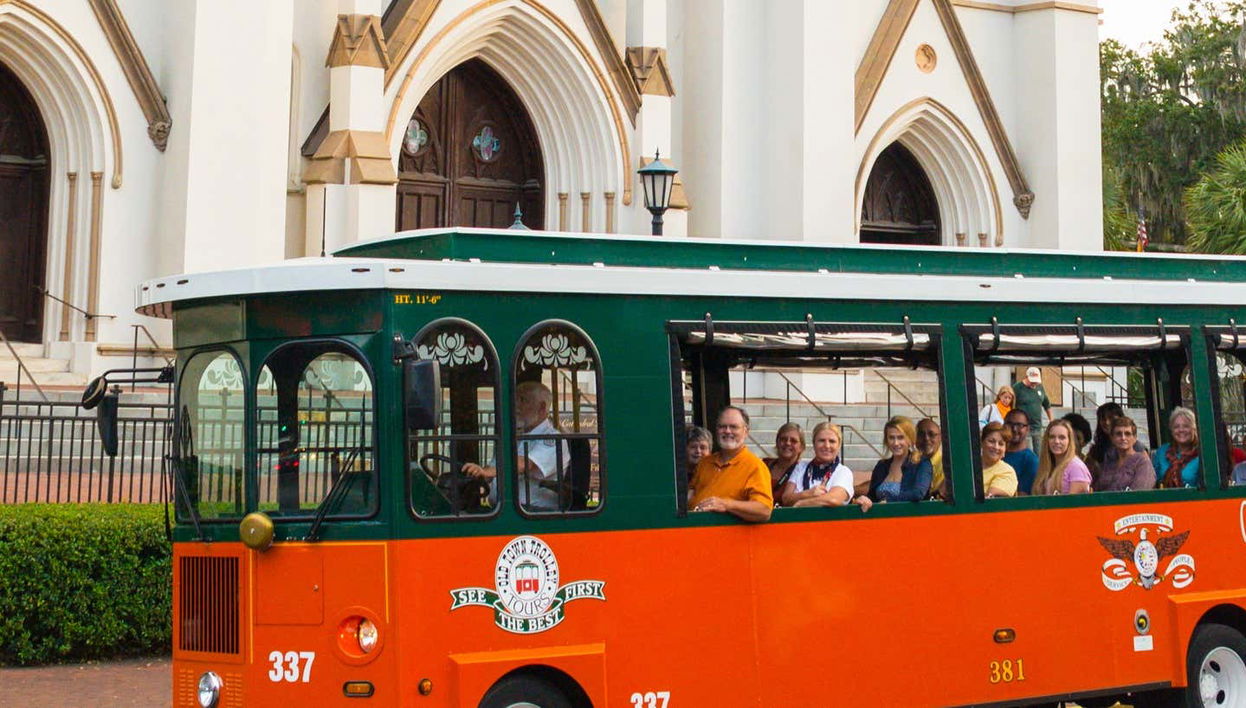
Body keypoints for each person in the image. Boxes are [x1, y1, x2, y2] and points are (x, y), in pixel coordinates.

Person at [463, 381, 570, 511]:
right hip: (502, 510)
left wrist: (486, 471)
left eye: (523, 400)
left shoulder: (552, 439)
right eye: (515, 399)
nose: (516, 405)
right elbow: (493, 467)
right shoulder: (515, 436)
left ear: (542, 407)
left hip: (533, 512)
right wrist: (479, 474)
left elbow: (524, 464)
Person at [688, 406, 773, 521]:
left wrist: (726, 505)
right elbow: (691, 496)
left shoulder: (755, 466)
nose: (727, 431)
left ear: (746, 431)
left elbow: (764, 510)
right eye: (722, 426)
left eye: (733, 427)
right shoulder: (704, 463)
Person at [781, 422, 870, 510]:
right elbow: (786, 499)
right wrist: (808, 494)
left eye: (832, 441)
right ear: (814, 443)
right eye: (821, 441)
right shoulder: (801, 467)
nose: (827, 446)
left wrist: (802, 503)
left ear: (838, 446)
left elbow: (833, 499)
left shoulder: (843, 471)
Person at [867, 416, 932, 502]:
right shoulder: (881, 466)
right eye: (891, 437)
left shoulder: (922, 464)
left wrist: (888, 501)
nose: (896, 443)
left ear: (910, 439)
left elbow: (918, 494)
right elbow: (872, 496)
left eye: (900, 437)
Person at [1031, 419, 1092, 496]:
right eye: (1052, 437)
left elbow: (1075, 504)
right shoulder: (1047, 466)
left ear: (1070, 441)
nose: (1056, 441)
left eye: (1062, 437)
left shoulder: (1076, 467)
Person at [1094, 416, 1155, 492]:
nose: (1123, 438)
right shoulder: (1109, 461)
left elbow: (1140, 493)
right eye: (1118, 434)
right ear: (1112, 438)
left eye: (1127, 434)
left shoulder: (1142, 462)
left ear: (1135, 438)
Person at [1154, 406, 1200, 489]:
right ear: (1171, 430)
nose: (1181, 430)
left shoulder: (1202, 454)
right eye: (1176, 427)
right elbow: (1153, 482)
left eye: (1186, 426)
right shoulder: (1161, 452)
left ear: (1194, 428)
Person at [1012, 367, 1053, 452]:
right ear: (1027, 377)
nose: (1034, 383)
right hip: (1022, 426)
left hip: (1037, 426)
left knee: (1038, 451)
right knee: (1023, 450)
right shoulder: (1017, 388)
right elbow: (1011, 404)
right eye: (1032, 381)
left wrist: (1051, 419)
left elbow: (1046, 404)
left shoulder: (1040, 387)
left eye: (1036, 381)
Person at [762, 422, 805, 502]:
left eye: (793, 441)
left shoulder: (803, 472)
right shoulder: (763, 465)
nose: (788, 443)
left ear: (801, 447)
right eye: (783, 439)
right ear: (777, 442)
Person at [1002, 409, 1039, 495]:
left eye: (1020, 425)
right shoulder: (997, 454)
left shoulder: (1031, 461)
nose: (1014, 429)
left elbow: (1022, 497)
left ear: (1027, 429)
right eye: (1010, 424)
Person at [1087, 402, 1130, 472]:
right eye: (1103, 419)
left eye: (1111, 418)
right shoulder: (1095, 450)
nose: (1107, 422)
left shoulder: (1135, 447)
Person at [979, 422, 1019, 498]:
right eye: (991, 441)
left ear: (1005, 449)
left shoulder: (1007, 471)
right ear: (982, 442)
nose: (996, 447)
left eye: (1001, 444)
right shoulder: (968, 466)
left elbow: (989, 499)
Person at [917, 418, 946, 498]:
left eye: (932, 434)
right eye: (921, 434)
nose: (926, 438)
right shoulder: (910, 464)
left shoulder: (947, 465)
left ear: (940, 438)